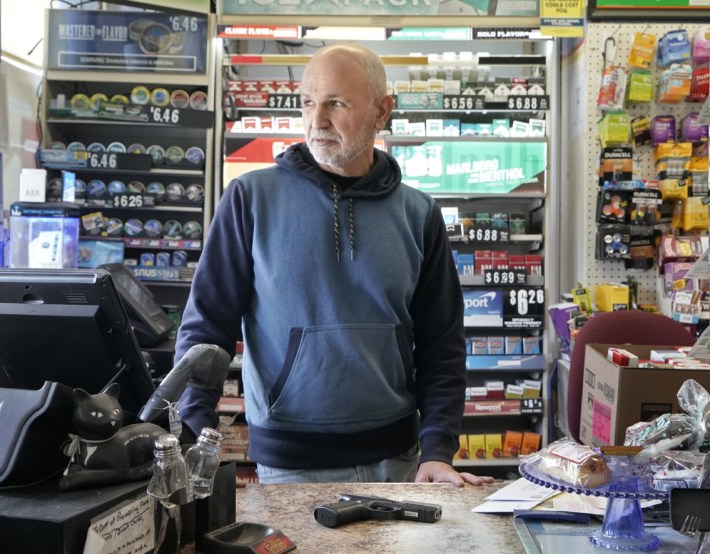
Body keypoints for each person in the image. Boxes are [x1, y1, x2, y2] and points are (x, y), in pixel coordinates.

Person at [175, 42, 493, 487]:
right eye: (308, 102)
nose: (316, 120)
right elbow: (206, 330)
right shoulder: (250, 200)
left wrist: (437, 449)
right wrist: (193, 435)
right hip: (288, 464)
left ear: (381, 112)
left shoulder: (418, 213)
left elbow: (443, 344)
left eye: (336, 104)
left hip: (398, 461)